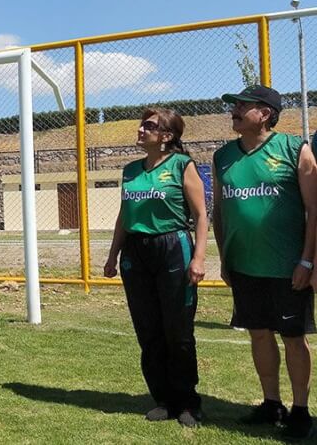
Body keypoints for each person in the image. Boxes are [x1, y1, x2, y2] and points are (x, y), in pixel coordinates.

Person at [213, 84, 317, 440]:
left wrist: (308, 260)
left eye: (243, 105)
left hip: (288, 266)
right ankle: (271, 402)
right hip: (244, 265)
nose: (235, 110)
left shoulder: (294, 149)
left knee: (293, 336)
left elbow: (314, 209)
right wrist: (225, 258)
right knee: (258, 334)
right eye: (234, 105)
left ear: (266, 113)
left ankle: (300, 409)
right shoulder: (223, 155)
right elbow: (220, 211)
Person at [104, 107, 207, 427]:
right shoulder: (131, 170)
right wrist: (112, 255)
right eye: (141, 124)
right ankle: (163, 399)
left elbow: (202, 215)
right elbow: (125, 214)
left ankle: (187, 402)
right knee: (148, 331)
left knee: (177, 330)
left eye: (148, 126)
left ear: (167, 136)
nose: (140, 129)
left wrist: (199, 257)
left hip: (172, 246)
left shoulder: (182, 165)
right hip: (136, 252)